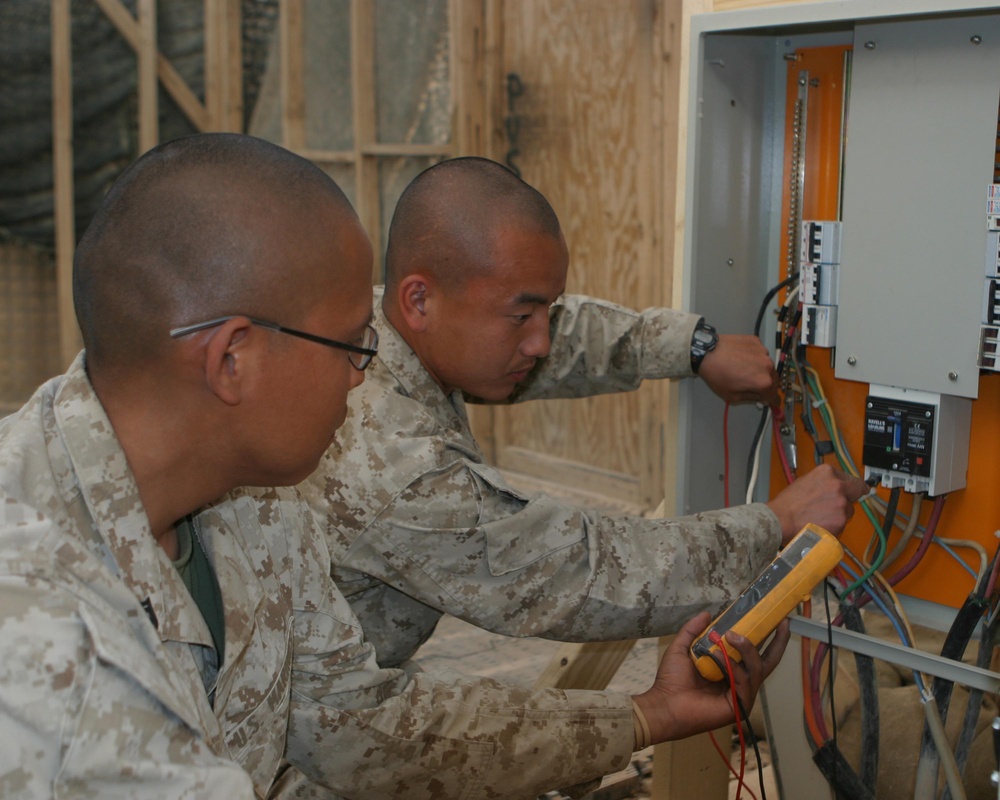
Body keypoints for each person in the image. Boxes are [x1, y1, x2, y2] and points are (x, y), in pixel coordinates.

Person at [0, 133, 788, 799]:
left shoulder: (259, 501)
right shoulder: (32, 610)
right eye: (351, 344)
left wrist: (646, 717)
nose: (363, 373)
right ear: (233, 358)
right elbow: (562, 569)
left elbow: (355, 724)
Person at [299, 156, 869, 668]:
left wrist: (692, 347)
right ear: (419, 300)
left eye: (546, 308)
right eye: (522, 317)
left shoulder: (381, 321)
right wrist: (773, 525)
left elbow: (560, 335)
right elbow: (579, 571)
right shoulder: (391, 462)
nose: (541, 341)